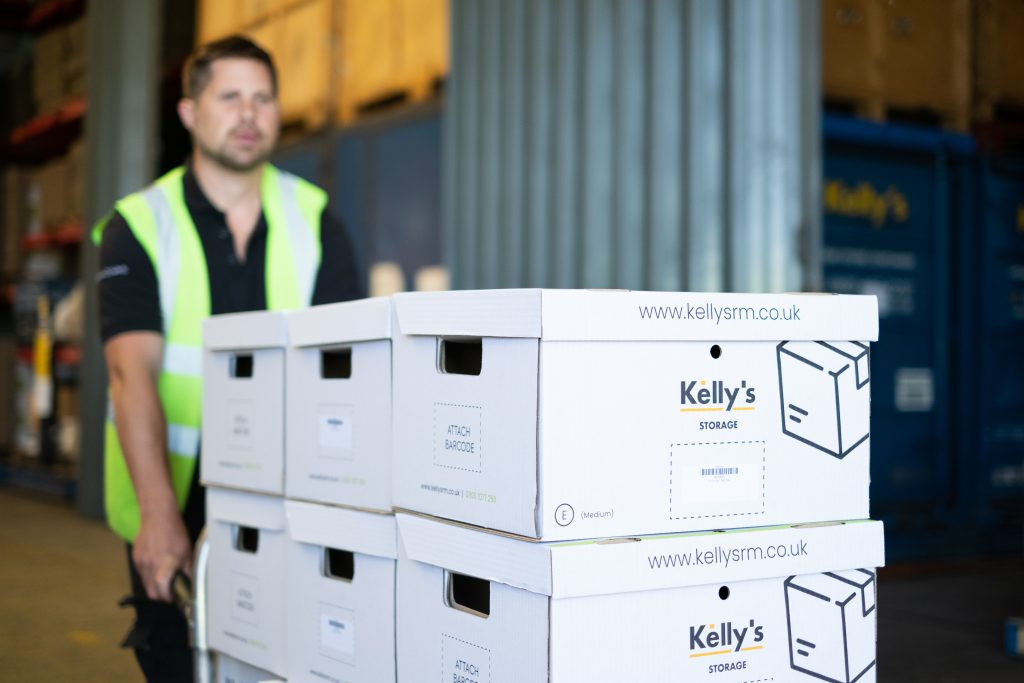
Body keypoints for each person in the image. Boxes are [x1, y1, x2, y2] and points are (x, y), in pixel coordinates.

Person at [94, 36, 364, 681]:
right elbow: (133, 373)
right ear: (189, 112)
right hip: (172, 499)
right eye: (230, 96)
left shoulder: (315, 217)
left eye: (264, 98)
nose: (250, 114)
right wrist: (158, 517)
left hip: (289, 501)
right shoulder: (140, 221)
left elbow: (346, 369)